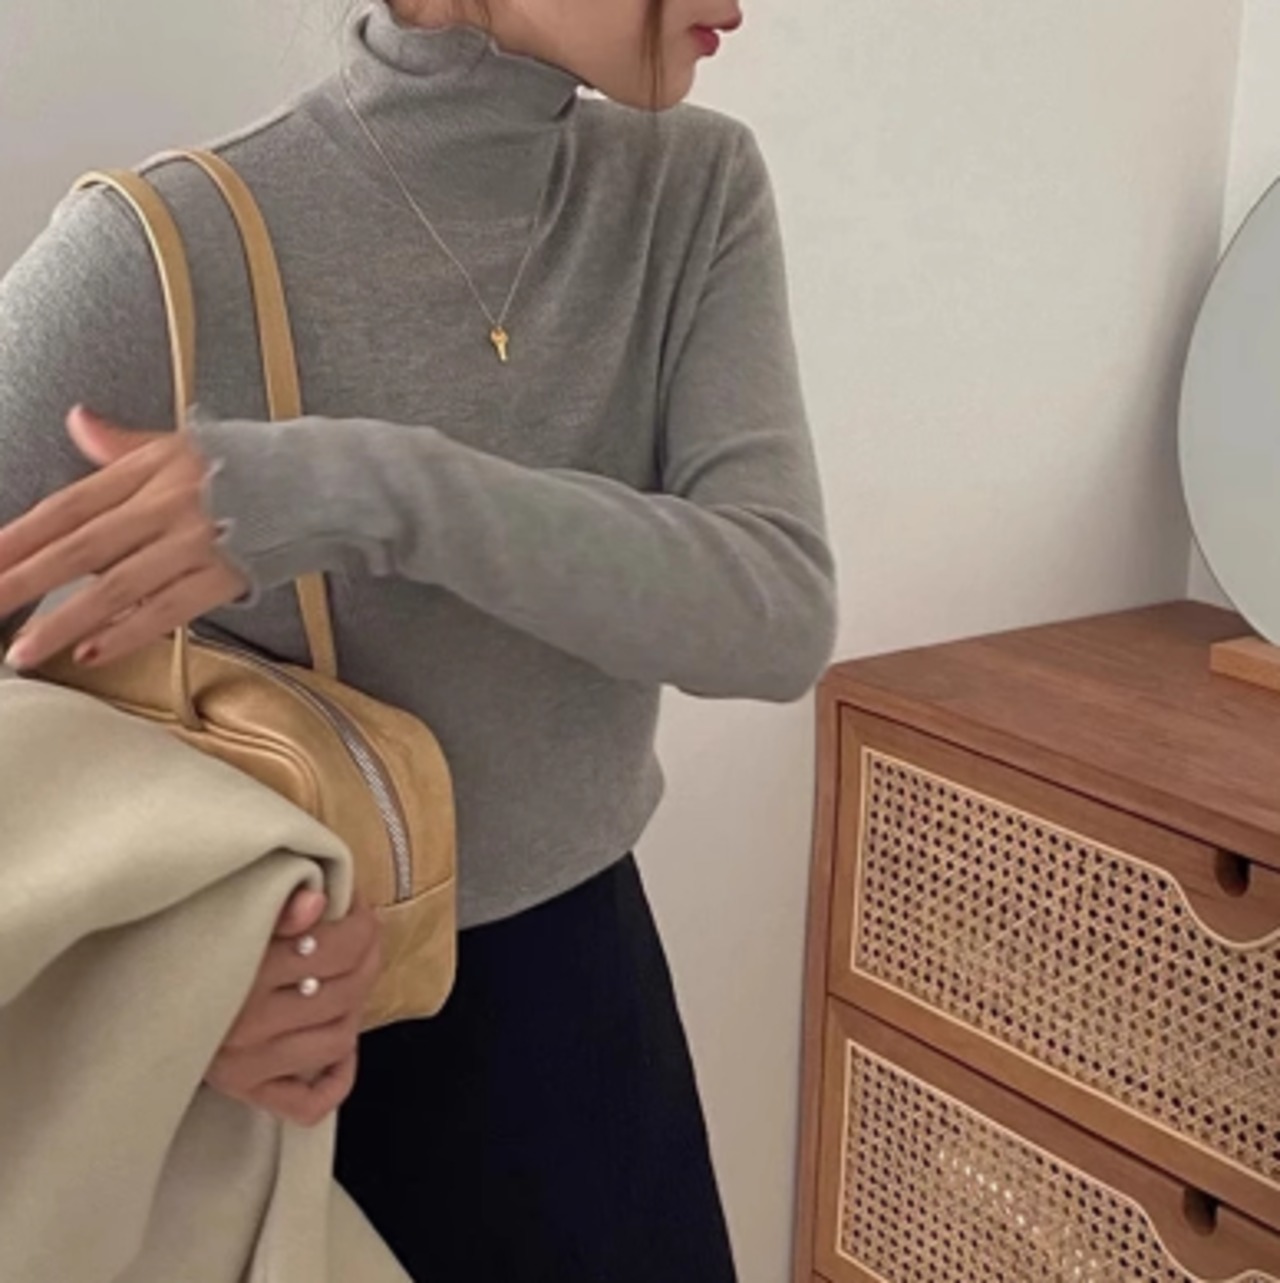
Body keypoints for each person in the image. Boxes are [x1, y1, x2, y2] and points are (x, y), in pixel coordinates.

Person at [0, 0, 836, 1277]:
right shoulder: (160, 246)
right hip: (296, 1067)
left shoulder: (689, 189)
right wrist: (152, 981)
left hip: (590, 1012)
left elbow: (772, 615)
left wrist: (368, 489)